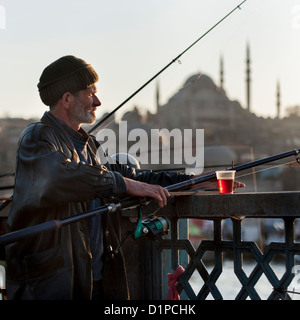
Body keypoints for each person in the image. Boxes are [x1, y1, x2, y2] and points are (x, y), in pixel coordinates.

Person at [5, 55, 244, 300]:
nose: (97, 101)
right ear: (67, 99)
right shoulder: (36, 138)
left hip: (91, 278)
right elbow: (61, 178)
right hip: (50, 283)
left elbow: (136, 177)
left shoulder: (88, 148)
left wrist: (195, 181)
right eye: (90, 93)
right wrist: (127, 184)